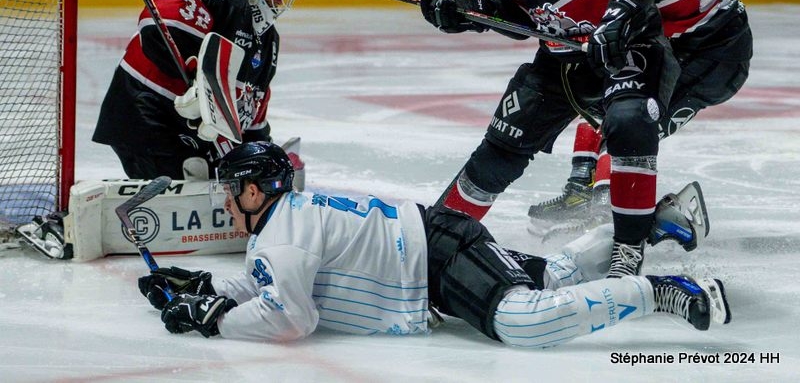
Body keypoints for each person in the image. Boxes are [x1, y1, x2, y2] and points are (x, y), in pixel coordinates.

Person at [137, 141, 731, 345]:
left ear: (259, 189)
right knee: (550, 274)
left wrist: (216, 321)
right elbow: (269, 283)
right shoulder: (281, 224)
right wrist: (203, 287)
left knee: (522, 322)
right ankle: (656, 221)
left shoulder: (281, 235)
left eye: (233, 188)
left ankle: (664, 291)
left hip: (437, 257)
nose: (225, 198)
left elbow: (290, 316)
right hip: (437, 243)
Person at [418, 0, 677, 278]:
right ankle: (434, 250)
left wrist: (615, 23)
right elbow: (520, 15)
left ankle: (627, 255)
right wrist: (469, 10)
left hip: (625, 49)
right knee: (497, 151)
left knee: (629, 124)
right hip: (559, 62)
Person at [528, 0, 752, 231]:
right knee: (608, 90)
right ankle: (581, 191)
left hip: (716, 54)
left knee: (634, 123)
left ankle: (605, 202)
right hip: (681, 41)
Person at [92, 0, 305, 186]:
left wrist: (263, 156)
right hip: (146, 111)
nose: (279, 1)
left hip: (188, 133)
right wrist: (196, 80)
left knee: (233, 178)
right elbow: (155, 27)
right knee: (194, 173)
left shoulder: (269, 42)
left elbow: (253, 114)